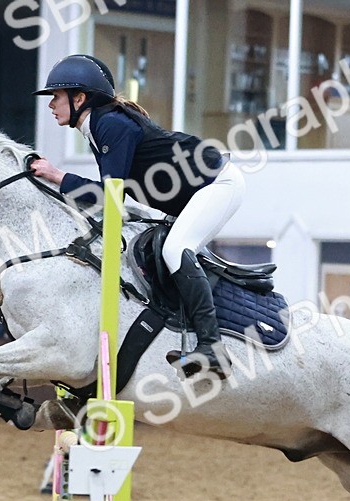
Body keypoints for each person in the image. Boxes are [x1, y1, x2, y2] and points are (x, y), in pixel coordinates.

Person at [30, 54, 245, 379]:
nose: (51, 105)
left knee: (175, 250)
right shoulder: (98, 126)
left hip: (219, 184)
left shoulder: (111, 125)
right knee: (163, 251)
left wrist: (56, 175)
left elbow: (108, 197)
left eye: (56, 97)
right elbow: (116, 196)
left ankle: (212, 348)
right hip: (200, 191)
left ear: (80, 98)